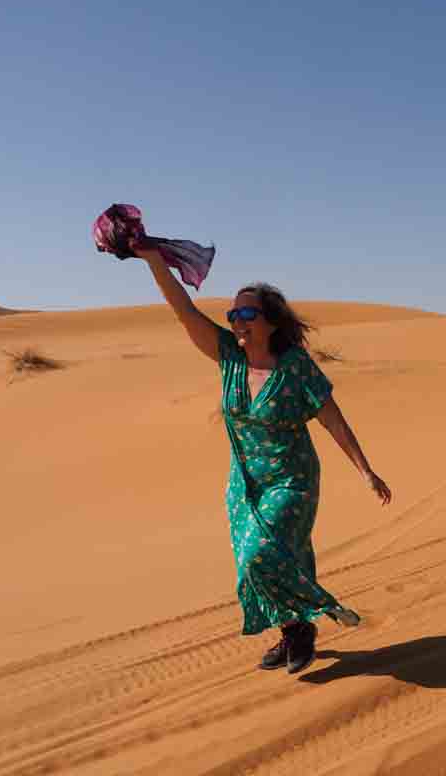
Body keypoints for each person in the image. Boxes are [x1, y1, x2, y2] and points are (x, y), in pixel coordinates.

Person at [134, 241, 392, 675]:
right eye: (233, 314)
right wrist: (153, 261)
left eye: (247, 314)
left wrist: (366, 470)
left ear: (271, 323)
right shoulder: (229, 358)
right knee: (257, 567)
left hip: (293, 479)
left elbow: (332, 419)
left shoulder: (295, 367)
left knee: (261, 554)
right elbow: (184, 311)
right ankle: (293, 631)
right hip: (245, 482)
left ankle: (307, 625)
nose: (237, 321)